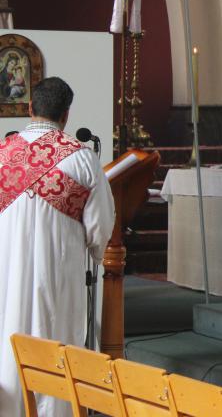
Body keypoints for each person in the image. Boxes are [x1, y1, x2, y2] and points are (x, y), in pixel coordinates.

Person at [0, 77, 115, 417]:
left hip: (6, 277)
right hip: (57, 282)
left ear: (30, 107)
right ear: (66, 115)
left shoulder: (2, 155)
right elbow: (100, 230)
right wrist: (93, 250)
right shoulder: (83, 160)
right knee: (56, 352)